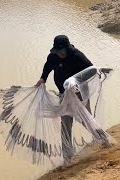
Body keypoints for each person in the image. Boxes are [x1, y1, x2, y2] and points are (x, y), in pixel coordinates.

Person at [35, 35, 94, 164]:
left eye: (62, 52)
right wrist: (43, 78)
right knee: (66, 124)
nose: (60, 54)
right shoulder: (53, 57)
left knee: (87, 120)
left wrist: (76, 81)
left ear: (67, 49)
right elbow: (48, 67)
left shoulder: (77, 56)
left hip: (80, 95)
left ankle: (101, 139)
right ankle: (68, 156)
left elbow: (92, 70)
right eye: (57, 52)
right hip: (64, 96)